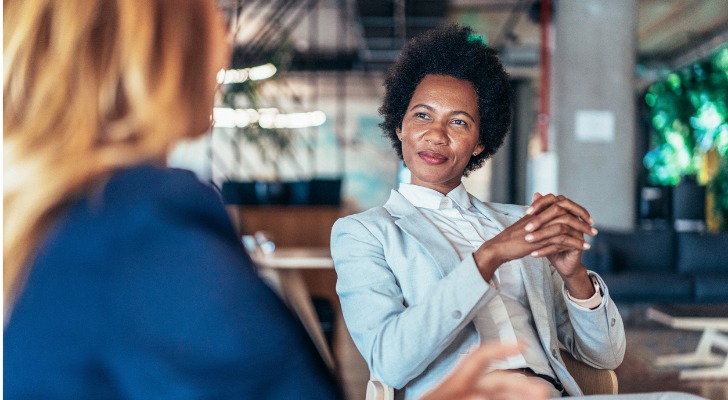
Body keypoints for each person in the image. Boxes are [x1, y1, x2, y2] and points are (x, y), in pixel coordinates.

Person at [3, 1, 554, 399]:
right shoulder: (144, 233)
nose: (223, 34)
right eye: (209, 11)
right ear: (165, 47)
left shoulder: (63, 224)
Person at [331, 24, 705, 400]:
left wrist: (575, 276)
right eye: (422, 116)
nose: (436, 134)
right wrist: (488, 257)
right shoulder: (365, 233)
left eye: (458, 122)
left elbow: (605, 355)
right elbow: (389, 361)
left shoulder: (519, 223)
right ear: (399, 127)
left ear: (479, 143)